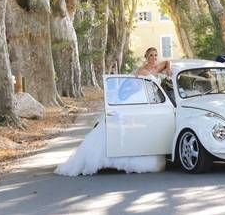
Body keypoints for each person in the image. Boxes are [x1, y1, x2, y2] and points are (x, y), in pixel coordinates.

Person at [54, 47, 168, 177]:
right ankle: (105, 158)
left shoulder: (156, 69)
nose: (154, 58)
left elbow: (167, 63)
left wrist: (168, 68)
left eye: (155, 55)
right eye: (151, 56)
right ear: (146, 57)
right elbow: (133, 86)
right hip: (140, 100)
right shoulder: (142, 71)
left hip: (152, 104)